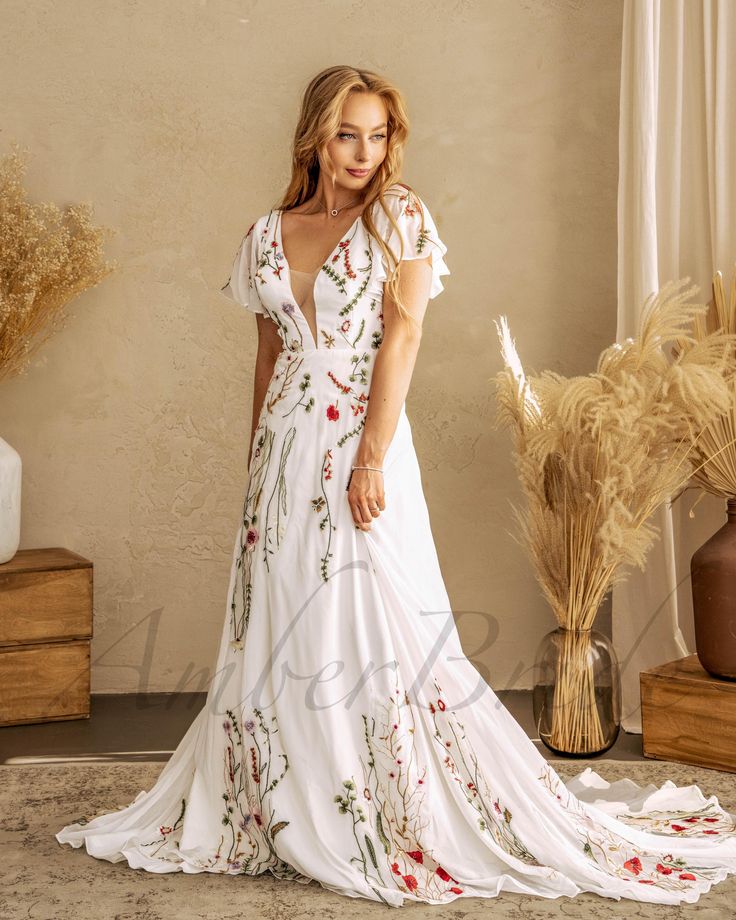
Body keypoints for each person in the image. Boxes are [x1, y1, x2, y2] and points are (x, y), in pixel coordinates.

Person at [55, 65, 736, 908]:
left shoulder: (399, 218)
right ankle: (283, 789)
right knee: (283, 611)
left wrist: (371, 455)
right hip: (284, 451)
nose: (364, 153)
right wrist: (254, 460)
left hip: (360, 437)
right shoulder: (268, 231)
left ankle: (381, 793)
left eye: (378, 136)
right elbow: (269, 355)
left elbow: (404, 335)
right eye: (349, 134)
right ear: (315, 134)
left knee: (372, 609)